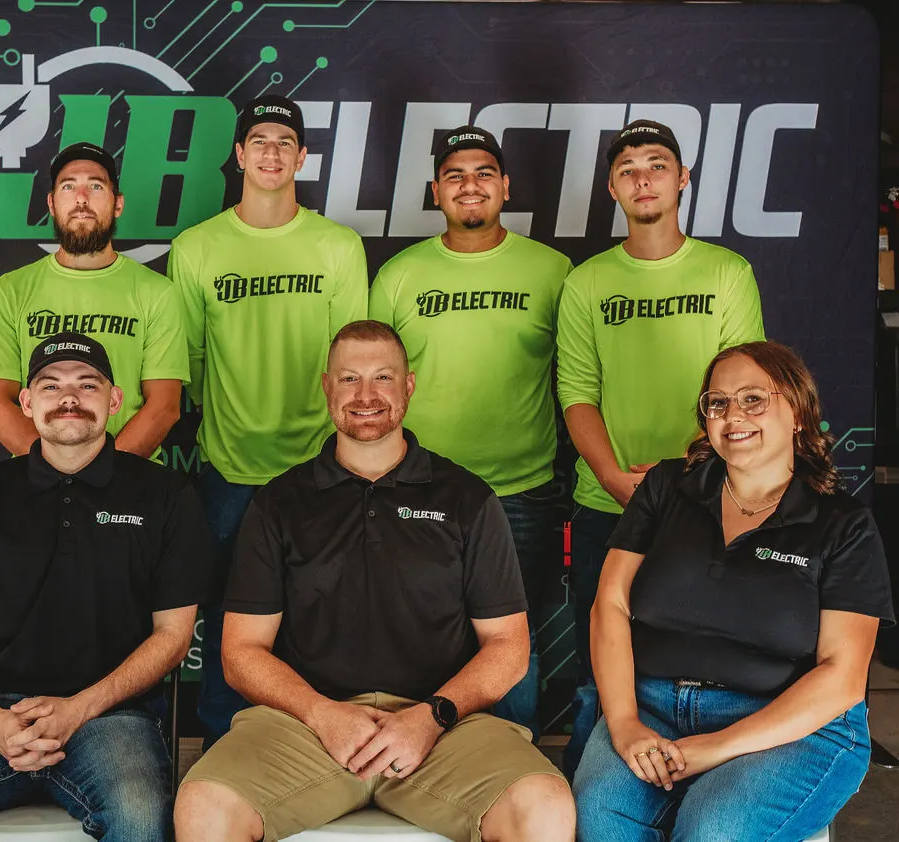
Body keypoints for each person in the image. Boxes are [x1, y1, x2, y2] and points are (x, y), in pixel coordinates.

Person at [173, 320, 575, 842]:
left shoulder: (468, 499)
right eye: (349, 380)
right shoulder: (279, 502)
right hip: (307, 729)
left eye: (383, 378)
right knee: (204, 807)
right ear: (326, 387)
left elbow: (508, 646)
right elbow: (241, 651)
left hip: (443, 730)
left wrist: (431, 717)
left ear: (408, 386)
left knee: (543, 806)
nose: (366, 396)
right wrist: (323, 715)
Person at [0, 333, 213, 841]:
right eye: (51, 386)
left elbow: (173, 635)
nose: (69, 399)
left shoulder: (166, 494)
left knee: (141, 821)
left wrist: (79, 708)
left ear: (114, 400)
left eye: (87, 384)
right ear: (28, 403)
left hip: (112, 717)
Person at [573, 340, 894, 841]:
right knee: (599, 814)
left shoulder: (843, 526)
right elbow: (609, 605)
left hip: (788, 723)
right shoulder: (665, 487)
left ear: (799, 414)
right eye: (717, 402)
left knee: (713, 828)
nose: (732, 415)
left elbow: (843, 678)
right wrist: (625, 722)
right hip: (652, 704)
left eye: (753, 399)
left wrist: (718, 745)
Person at [557, 119, 765, 775]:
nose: (643, 177)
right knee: (601, 667)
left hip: (710, 499)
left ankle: (696, 779)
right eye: (628, 168)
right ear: (612, 187)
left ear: (683, 178)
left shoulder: (727, 272)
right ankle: (595, 800)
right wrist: (619, 479)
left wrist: (686, 473)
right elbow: (576, 393)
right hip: (609, 502)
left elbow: (747, 388)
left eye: (657, 163)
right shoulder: (586, 282)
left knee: (704, 660)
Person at [168, 94, 368, 745]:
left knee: (326, 610)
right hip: (228, 469)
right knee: (231, 614)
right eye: (259, 139)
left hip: (319, 468)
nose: (272, 150)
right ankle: (228, 744)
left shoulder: (337, 246)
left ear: (302, 156)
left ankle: (319, 739)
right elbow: (189, 363)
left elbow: (351, 366)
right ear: (239, 155)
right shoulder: (197, 248)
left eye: (285, 140)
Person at [369, 125, 572, 735]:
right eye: (455, 175)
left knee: (511, 639)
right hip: (416, 489)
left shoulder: (553, 271)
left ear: (506, 186)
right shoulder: (400, 275)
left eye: (484, 173)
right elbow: (372, 384)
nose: (470, 185)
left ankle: (508, 772)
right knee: (413, 627)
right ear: (436, 192)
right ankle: (414, 761)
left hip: (520, 493)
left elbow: (584, 379)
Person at [0, 142, 188, 460]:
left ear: (118, 204)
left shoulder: (157, 292)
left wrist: (107, 475)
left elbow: (164, 406)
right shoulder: (11, 290)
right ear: (51, 202)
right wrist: (53, 472)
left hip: (128, 482)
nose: (81, 198)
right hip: (39, 487)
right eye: (68, 186)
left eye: (96, 186)